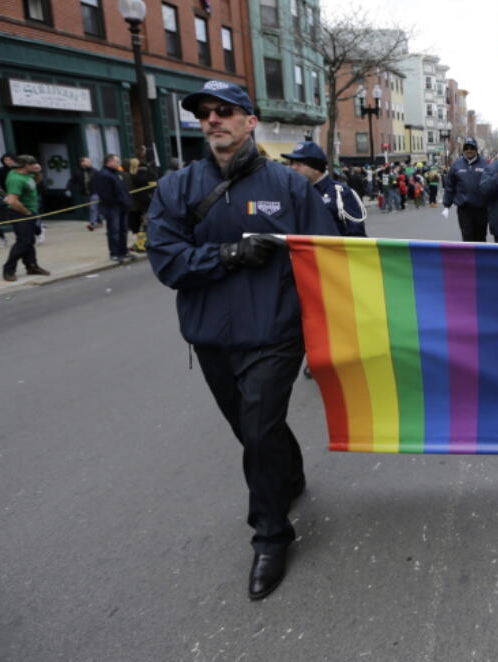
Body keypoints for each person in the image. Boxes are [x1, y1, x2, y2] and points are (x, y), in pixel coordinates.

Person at [146, 80, 338, 600]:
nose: (213, 119)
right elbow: (168, 262)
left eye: (224, 111)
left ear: (250, 121)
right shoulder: (176, 189)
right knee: (253, 430)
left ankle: (271, 534)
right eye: (205, 112)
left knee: (258, 427)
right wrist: (230, 255)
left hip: (275, 333)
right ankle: (289, 475)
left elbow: (328, 256)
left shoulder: (291, 187)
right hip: (211, 337)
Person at [281, 141, 367, 237]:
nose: (292, 168)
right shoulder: (290, 192)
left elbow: (356, 236)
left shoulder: (341, 193)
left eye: (298, 164)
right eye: (291, 163)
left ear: (316, 168)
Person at [1, 155, 51, 282]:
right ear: (25, 166)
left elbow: (36, 182)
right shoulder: (15, 179)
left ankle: (32, 266)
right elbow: (13, 201)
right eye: (32, 164)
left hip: (30, 210)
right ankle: (8, 270)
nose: (35, 165)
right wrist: (27, 212)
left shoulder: (28, 174)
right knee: (23, 241)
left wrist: (38, 170)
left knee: (29, 240)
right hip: (19, 212)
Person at [443, 137, 488, 242]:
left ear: (476, 149)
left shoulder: (485, 164)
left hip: (481, 209)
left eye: (472, 148)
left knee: (481, 237)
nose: (469, 150)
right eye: (466, 148)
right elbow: (450, 186)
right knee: (467, 237)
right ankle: (469, 258)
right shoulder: (456, 165)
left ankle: (481, 258)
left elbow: (491, 185)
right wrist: (446, 205)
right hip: (464, 209)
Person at [91, 154, 134, 263]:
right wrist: (116, 202)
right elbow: (105, 194)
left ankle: (123, 251)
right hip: (112, 207)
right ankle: (114, 253)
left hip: (122, 206)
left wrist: (127, 201)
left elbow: (123, 189)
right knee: (114, 230)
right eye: (117, 162)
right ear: (109, 162)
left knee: (123, 230)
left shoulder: (116, 174)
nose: (119, 164)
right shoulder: (103, 175)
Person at [128, 156, 156, 252]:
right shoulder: (148, 174)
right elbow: (153, 188)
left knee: (140, 226)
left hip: (136, 205)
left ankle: (139, 244)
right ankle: (142, 244)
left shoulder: (132, 176)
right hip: (147, 204)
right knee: (145, 225)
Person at [69, 156, 100, 229]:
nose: (89, 163)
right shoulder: (78, 172)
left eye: (90, 162)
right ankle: (99, 220)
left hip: (94, 193)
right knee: (90, 208)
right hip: (84, 193)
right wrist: (69, 189)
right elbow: (72, 181)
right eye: (87, 162)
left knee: (93, 208)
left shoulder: (94, 171)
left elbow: (100, 181)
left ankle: (92, 223)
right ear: (82, 163)